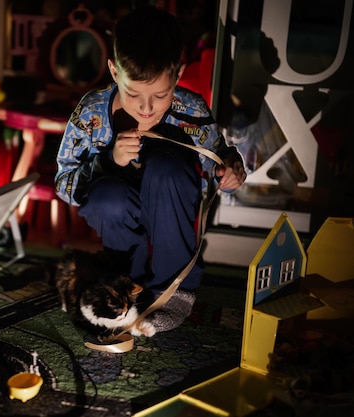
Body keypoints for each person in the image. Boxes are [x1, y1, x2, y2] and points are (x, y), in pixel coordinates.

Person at [55, 6, 247, 334]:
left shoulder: (191, 109)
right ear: (114, 72)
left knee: (166, 167)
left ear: (179, 74)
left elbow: (218, 156)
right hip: (122, 227)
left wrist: (229, 170)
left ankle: (174, 291)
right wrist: (107, 161)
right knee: (107, 194)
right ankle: (126, 281)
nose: (147, 108)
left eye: (160, 95)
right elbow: (64, 184)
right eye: (134, 94)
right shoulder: (91, 113)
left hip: (172, 211)